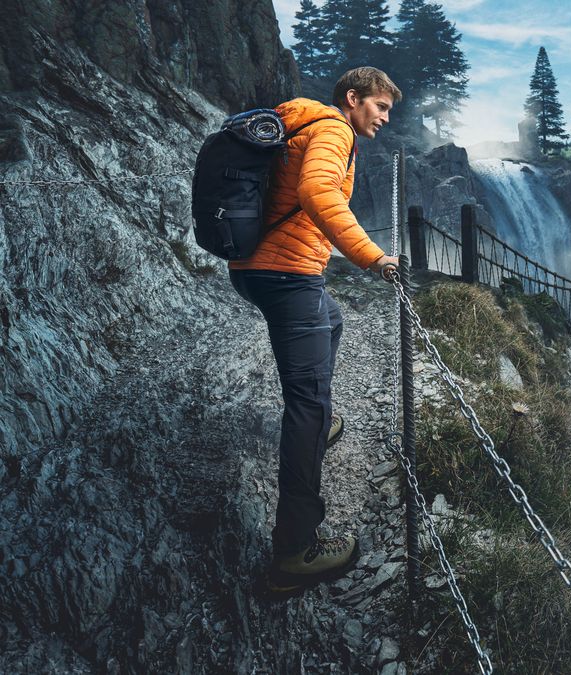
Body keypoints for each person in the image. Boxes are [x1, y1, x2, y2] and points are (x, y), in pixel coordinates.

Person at [228, 66, 401, 594]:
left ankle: (317, 422)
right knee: (306, 406)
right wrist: (373, 257)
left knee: (334, 318)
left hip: (256, 268)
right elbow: (317, 191)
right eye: (380, 107)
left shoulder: (299, 123)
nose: (384, 118)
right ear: (353, 99)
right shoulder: (334, 129)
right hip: (287, 274)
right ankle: (296, 552)